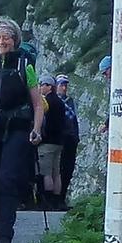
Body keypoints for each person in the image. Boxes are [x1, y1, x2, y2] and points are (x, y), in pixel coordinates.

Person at [0, 18, 46, 243]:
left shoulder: (25, 65)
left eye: (6, 37)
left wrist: (36, 129)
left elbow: (37, 104)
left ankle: (5, 234)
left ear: (15, 39)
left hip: (18, 128)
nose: (1, 41)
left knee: (8, 178)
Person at [50, 74, 83, 205]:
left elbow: (74, 120)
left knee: (68, 169)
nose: (64, 88)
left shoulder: (70, 101)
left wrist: (76, 137)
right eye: (61, 85)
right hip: (60, 139)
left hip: (71, 139)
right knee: (58, 170)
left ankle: (62, 197)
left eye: (65, 85)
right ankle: (55, 199)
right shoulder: (54, 101)